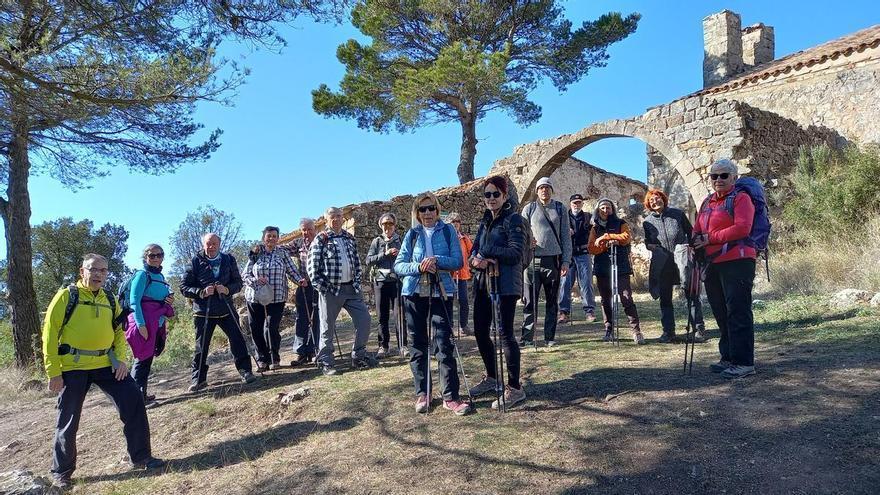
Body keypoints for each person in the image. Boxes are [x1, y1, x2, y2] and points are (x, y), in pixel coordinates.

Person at [42, 254, 164, 488]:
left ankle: (141, 457)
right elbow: (49, 334)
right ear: (82, 271)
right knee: (68, 419)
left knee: (133, 399)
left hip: (106, 365)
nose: (98, 274)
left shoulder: (109, 298)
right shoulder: (67, 296)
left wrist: (119, 360)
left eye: (103, 270)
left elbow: (119, 330)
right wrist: (53, 371)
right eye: (93, 269)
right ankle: (62, 472)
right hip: (72, 367)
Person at [393, 193, 471, 415]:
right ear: (417, 213)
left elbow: (458, 261)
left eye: (431, 209)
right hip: (414, 293)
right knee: (417, 344)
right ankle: (423, 393)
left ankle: (450, 397)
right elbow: (399, 265)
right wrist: (419, 267)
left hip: (441, 292)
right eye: (422, 209)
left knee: (443, 343)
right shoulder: (412, 234)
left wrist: (436, 261)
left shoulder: (448, 231)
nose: (427, 213)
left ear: (437, 210)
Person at [693, 158, 757, 379]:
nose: (718, 180)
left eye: (724, 175)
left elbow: (742, 228)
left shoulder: (741, 199)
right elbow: (697, 228)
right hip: (713, 263)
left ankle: (743, 362)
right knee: (721, 310)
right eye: (714, 176)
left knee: (738, 310)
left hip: (738, 261)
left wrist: (709, 238)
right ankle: (728, 357)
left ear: (734, 178)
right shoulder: (707, 202)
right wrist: (694, 241)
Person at [468, 176, 527, 409]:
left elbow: (515, 253)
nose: (491, 199)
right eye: (487, 195)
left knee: (505, 334)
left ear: (504, 196)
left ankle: (514, 388)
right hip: (483, 283)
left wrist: (487, 252)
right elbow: (473, 252)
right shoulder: (485, 221)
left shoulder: (514, 220)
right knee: (481, 331)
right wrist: (476, 260)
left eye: (495, 194)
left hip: (505, 285)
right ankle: (492, 377)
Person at [180, 233, 257, 391]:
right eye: (208, 243)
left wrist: (227, 289)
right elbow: (184, 287)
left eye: (214, 243)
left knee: (238, 340)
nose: (211, 246)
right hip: (203, 311)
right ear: (203, 245)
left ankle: (246, 372)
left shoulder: (228, 259)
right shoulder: (195, 261)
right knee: (201, 346)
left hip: (226, 308)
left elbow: (238, 283)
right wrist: (201, 292)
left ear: (219, 244)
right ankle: (198, 379)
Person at [307, 207, 376, 376]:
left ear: (343, 218)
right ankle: (326, 362)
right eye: (332, 217)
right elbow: (312, 268)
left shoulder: (348, 238)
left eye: (339, 216)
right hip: (331, 290)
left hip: (351, 288)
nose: (336, 219)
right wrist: (323, 288)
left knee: (365, 320)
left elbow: (357, 262)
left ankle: (358, 355)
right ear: (326, 219)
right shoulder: (321, 239)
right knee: (327, 327)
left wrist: (357, 281)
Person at [642, 189, 707, 343]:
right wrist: (651, 247)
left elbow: (691, 233)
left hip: (682, 258)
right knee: (665, 297)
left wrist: (695, 253)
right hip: (663, 261)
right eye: (651, 200)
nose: (655, 201)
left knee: (691, 293)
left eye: (657, 198)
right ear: (648, 204)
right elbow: (647, 241)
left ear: (663, 199)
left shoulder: (677, 214)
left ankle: (698, 329)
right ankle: (668, 332)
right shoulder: (647, 221)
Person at [243, 226, 306, 371]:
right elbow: (245, 275)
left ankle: (274, 358)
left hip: (277, 297)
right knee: (256, 329)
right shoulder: (256, 253)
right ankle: (262, 360)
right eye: (268, 236)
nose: (271, 238)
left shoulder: (282, 254)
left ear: (278, 239)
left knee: (270, 328)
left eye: (274, 236)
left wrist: (300, 280)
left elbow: (292, 271)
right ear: (263, 237)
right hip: (255, 297)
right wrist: (256, 281)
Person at [520, 176, 572, 347]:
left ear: (551, 190)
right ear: (537, 191)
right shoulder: (529, 208)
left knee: (551, 301)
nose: (544, 190)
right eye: (541, 188)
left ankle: (549, 337)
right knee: (529, 301)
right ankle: (527, 338)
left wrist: (566, 261)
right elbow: (521, 233)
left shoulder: (560, 208)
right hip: (532, 260)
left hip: (553, 261)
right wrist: (528, 242)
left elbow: (565, 236)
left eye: (547, 187)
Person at [588, 198, 645, 344]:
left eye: (608, 207)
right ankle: (609, 329)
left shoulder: (621, 223)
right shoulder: (594, 228)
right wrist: (605, 245)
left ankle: (636, 331)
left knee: (626, 297)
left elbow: (626, 238)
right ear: (598, 210)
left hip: (620, 265)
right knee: (605, 299)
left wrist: (608, 236)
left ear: (612, 209)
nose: (605, 210)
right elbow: (592, 248)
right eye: (602, 208)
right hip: (602, 267)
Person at [126, 244, 175, 409]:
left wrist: (168, 301)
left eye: (158, 255)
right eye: (151, 255)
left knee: (147, 360)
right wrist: (141, 325)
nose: (155, 258)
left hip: (155, 322)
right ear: (145, 257)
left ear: (162, 257)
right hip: (144, 322)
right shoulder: (142, 275)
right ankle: (136, 400)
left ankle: (142, 394)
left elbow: (157, 298)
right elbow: (134, 301)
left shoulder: (160, 276)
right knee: (141, 360)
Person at [280, 218, 321, 367]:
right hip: (303, 285)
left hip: (319, 285)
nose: (307, 232)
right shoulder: (298, 243)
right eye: (304, 230)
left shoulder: (321, 241)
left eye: (309, 229)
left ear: (314, 229)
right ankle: (301, 352)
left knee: (318, 318)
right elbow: (281, 250)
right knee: (301, 319)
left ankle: (316, 350)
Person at [366, 213, 403, 358]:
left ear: (394, 225)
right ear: (380, 226)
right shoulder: (377, 241)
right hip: (380, 282)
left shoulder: (400, 240)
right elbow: (369, 260)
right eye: (385, 224)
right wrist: (385, 254)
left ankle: (403, 345)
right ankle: (383, 346)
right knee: (382, 316)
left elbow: (409, 256)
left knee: (399, 315)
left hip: (397, 282)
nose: (387, 226)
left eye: (390, 223)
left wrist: (399, 254)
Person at [558, 193, 597, 324]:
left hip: (584, 253)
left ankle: (589, 311)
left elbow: (595, 231)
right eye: (574, 203)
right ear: (570, 204)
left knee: (586, 283)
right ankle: (563, 312)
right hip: (567, 255)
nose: (577, 205)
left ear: (582, 204)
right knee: (565, 283)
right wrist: (565, 231)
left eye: (579, 202)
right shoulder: (563, 218)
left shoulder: (588, 217)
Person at [446, 212, 474, 336]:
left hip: (462, 274)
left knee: (463, 301)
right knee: (449, 301)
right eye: (453, 221)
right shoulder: (445, 239)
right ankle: (449, 326)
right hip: (449, 275)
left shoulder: (464, 238)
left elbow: (472, 252)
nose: (456, 224)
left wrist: (468, 261)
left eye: (458, 221)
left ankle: (464, 325)